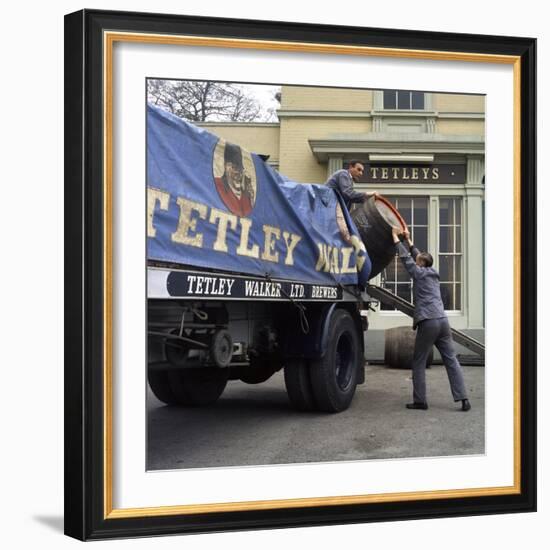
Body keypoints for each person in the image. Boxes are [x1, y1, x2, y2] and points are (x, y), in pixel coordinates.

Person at [391, 226, 471, 412]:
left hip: (428, 321)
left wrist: (396, 238)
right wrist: (409, 240)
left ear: (420, 264)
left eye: (417, 261)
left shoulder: (418, 273)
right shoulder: (432, 272)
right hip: (443, 321)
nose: (416, 260)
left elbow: (406, 258)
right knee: (451, 359)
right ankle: (464, 398)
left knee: (418, 361)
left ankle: (420, 401)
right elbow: (418, 255)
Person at [214, 142, 255, 217]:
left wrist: (251, 199)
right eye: (234, 167)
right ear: (226, 167)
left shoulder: (246, 197)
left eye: (240, 168)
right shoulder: (217, 184)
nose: (237, 172)